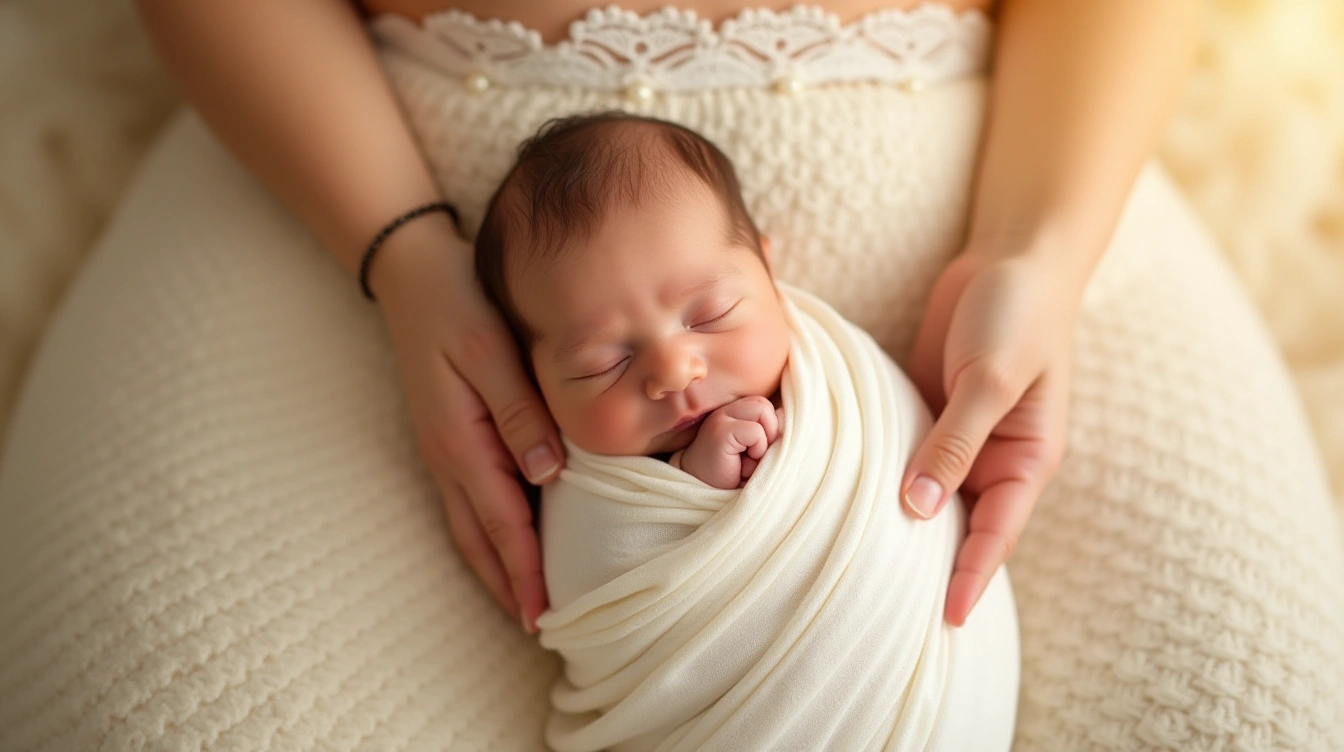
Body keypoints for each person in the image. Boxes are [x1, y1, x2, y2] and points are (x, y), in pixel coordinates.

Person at [0, 0, 1340, 749]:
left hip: (1019, 195)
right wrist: (403, 254)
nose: (680, 365)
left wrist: (1040, 250)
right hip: (361, 201)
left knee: (1265, 719)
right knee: (159, 722)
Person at [475, 109, 1020, 750]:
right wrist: (696, 483)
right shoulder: (583, 488)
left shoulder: (837, 374)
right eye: (603, 363)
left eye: (710, 314)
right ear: (531, 377)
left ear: (766, 268)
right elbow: (601, 578)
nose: (673, 370)